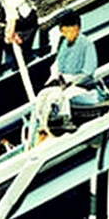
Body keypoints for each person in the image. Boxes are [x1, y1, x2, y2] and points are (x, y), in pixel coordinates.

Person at [31, 9, 98, 142]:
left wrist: (72, 81)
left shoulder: (86, 45)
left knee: (63, 97)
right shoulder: (63, 44)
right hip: (62, 84)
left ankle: (63, 126)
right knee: (43, 96)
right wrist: (55, 78)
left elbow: (88, 71)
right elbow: (57, 65)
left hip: (81, 87)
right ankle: (42, 129)